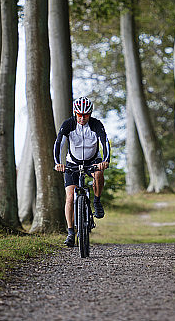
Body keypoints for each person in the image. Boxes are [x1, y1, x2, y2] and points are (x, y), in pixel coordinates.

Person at [54, 96, 110, 247]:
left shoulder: (96, 124)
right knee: (70, 197)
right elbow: (58, 143)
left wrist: (106, 160)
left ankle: (96, 202)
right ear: (75, 113)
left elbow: (104, 142)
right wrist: (58, 163)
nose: (82, 118)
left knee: (99, 174)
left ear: (90, 114)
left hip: (93, 161)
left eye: (86, 115)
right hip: (73, 162)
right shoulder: (68, 124)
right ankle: (70, 232)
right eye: (79, 115)